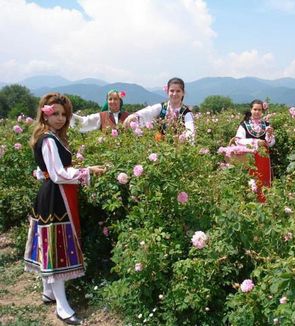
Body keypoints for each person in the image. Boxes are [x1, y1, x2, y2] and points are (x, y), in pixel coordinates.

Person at [24, 93, 106, 325]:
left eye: (63, 114)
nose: (60, 118)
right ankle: (62, 305)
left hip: (52, 195)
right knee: (57, 248)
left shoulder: (49, 137)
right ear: (45, 114)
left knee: (50, 243)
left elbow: (44, 171)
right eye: (56, 114)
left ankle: (48, 291)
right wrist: (89, 171)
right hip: (56, 199)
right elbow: (59, 174)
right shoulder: (49, 139)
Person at [123, 77, 195, 142]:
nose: (174, 93)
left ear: (183, 93)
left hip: (179, 149)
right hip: (160, 147)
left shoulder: (186, 113)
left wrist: (188, 141)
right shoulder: (163, 107)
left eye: (178, 91)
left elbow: (190, 131)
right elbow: (149, 112)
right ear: (167, 92)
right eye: (172, 91)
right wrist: (134, 116)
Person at [235, 99, 275, 202]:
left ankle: (265, 202)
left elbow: (270, 143)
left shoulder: (266, 124)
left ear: (262, 111)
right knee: (251, 179)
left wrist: (269, 135)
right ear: (251, 110)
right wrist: (256, 142)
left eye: (259, 110)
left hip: (264, 158)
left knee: (264, 179)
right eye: (255, 109)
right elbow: (238, 140)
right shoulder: (244, 125)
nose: (257, 112)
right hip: (249, 157)